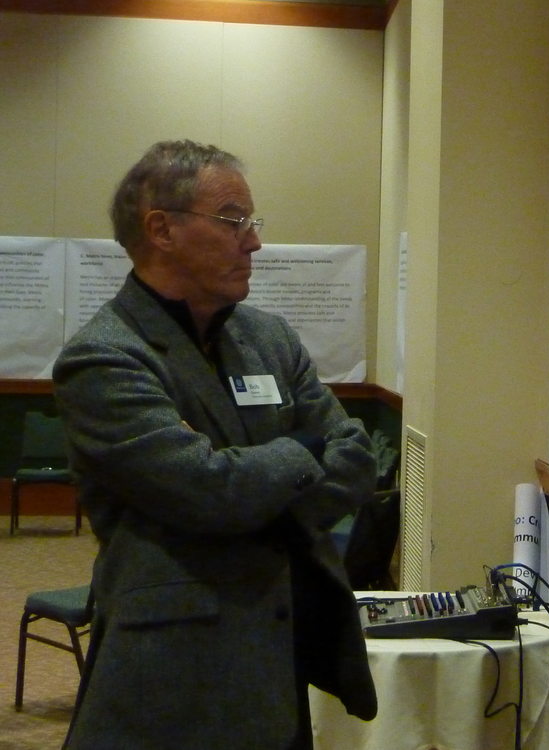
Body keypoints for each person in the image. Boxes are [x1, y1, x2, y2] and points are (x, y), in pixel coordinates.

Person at [52, 140, 378, 749]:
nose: (253, 241)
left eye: (252, 223)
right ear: (162, 229)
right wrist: (303, 451)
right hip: (174, 670)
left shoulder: (269, 338)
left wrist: (258, 482)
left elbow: (356, 459)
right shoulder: (104, 357)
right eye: (233, 221)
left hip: (284, 654)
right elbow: (207, 491)